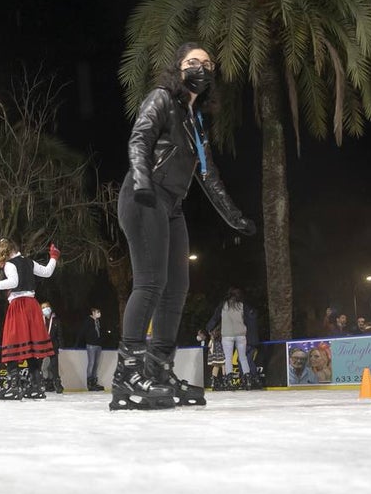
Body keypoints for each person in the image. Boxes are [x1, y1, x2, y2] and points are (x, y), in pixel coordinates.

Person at [114, 42, 255, 410]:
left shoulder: (196, 121)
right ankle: (127, 374)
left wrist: (233, 215)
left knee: (178, 287)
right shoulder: (161, 98)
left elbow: (209, 176)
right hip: (144, 194)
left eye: (208, 63)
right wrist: (143, 181)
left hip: (172, 205)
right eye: (193, 61)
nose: (201, 67)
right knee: (151, 282)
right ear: (179, 68)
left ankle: (159, 370)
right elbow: (139, 139)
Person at [0, 238, 58, 401]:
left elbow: (14, 282)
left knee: (12, 343)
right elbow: (48, 272)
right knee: (30, 347)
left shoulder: (10, 264)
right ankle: (35, 385)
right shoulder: (29, 262)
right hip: (32, 306)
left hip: (19, 306)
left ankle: (14, 386)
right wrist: (54, 257)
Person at [206, 287, 260, 389]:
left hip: (227, 335)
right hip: (241, 334)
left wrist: (208, 328)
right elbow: (250, 319)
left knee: (228, 358)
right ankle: (247, 379)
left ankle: (229, 380)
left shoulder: (223, 305)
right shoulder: (242, 305)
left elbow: (215, 317)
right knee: (243, 357)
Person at [78, 307, 105, 391]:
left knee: (96, 364)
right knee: (91, 363)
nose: (99, 313)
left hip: (98, 345)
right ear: (93, 313)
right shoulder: (88, 321)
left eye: (99, 312)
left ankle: (94, 382)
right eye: (97, 312)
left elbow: (100, 332)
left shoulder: (97, 322)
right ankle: (89, 382)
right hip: (91, 345)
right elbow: (83, 332)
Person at [40, 302, 64, 394]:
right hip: (42, 346)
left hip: (53, 346)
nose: (45, 309)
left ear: (50, 308)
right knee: (43, 367)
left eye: (47, 307)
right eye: (43, 307)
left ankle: (57, 384)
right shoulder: (39, 320)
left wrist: (61, 345)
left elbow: (59, 334)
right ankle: (46, 383)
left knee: (54, 366)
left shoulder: (56, 320)